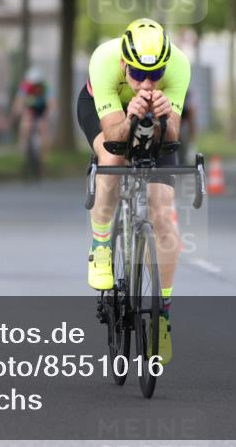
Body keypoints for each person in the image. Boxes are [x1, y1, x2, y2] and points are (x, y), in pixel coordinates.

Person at [76, 18, 190, 364]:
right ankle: (101, 244)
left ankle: (162, 317)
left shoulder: (180, 66)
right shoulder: (103, 60)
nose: (147, 83)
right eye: (138, 74)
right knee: (112, 158)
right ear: (124, 63)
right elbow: (114, 136)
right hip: (109, 117)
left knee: (162, 214)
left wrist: (165, 119)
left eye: (156, 75)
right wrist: (130, 117)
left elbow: (172, 139)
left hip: (155, 123)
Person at [10, 66, 55, 166]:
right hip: (30, 109)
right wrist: (16, 113)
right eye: (33, 85)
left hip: (42, 109)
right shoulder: (25, 87)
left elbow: (52, 103)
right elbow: (19, 102)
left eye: (38, 85)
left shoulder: (47, 87)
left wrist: (49, 115)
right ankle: (24, 153)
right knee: (25, 125)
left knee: (44, 129)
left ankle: (43, 159)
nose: (36, 87)